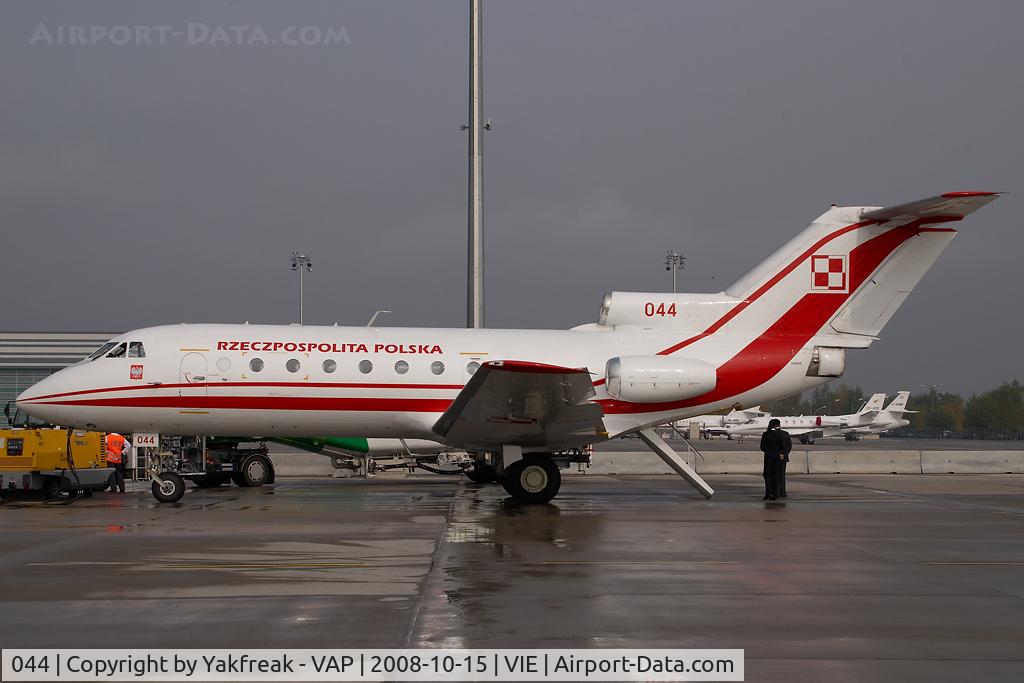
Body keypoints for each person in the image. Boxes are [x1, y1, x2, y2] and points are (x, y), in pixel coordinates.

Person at [759, 418, 791, 500]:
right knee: (777, 476)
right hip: (778, 458)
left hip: (768, 457)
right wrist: (782, 454)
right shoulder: (782, 434)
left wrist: (769, 452)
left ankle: (768, 493)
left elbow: (762, 447)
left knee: (767, 475)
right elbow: (785, 446)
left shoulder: (765, 434)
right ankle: (776, 494)